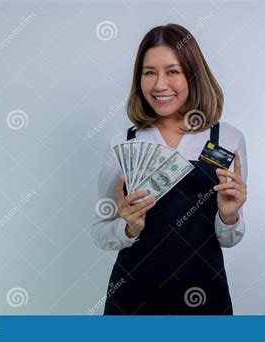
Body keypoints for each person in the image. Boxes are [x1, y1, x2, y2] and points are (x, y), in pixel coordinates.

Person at [90, 23, 248, 315]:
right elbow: (99, 232)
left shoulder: (227, 139)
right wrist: (128, 227)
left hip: (205, 297)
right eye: (149, 72)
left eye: (172, 71)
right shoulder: (123, 144)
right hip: (132, 300)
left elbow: (229, 238)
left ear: (193, 74)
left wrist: (229, 216)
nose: (159, 84)